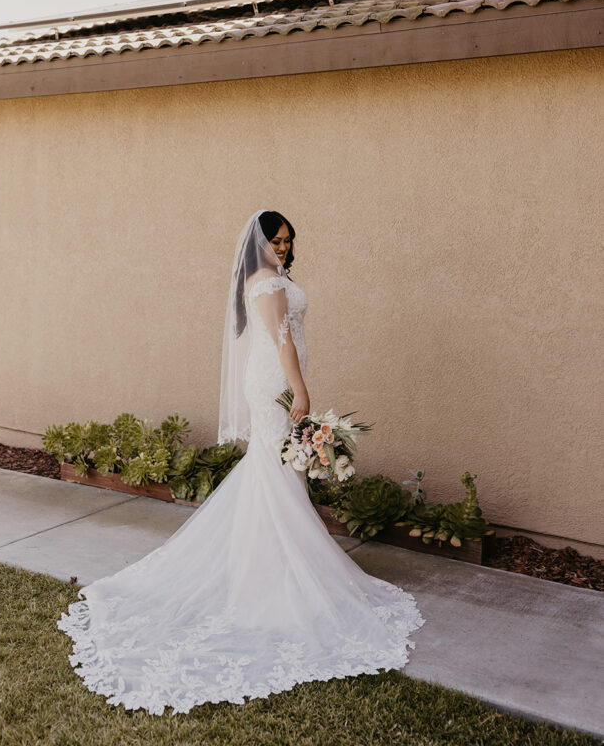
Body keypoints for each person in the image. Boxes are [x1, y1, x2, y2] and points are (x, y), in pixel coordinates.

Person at [57, 209, 425, 714]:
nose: (283, 248)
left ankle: (266, 571)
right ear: (259, 243)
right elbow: (281, 339)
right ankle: (275, 582)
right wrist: (300, 387)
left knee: (274, 472)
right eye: (276, 240)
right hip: (275, 379)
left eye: (288, 241)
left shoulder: (264, 278)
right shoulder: (267, 281)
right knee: (278, 472)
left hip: (268, 377)